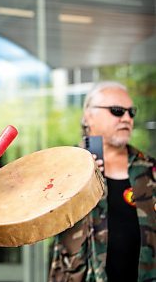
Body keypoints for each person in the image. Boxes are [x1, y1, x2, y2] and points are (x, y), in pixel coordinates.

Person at [49, 81, 155, 282]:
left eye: (131, 112)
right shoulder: (65, 167)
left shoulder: (149, 167)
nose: (126, 118)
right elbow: (42, 221)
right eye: (117, 111)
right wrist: (77, 179)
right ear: (89, 116)